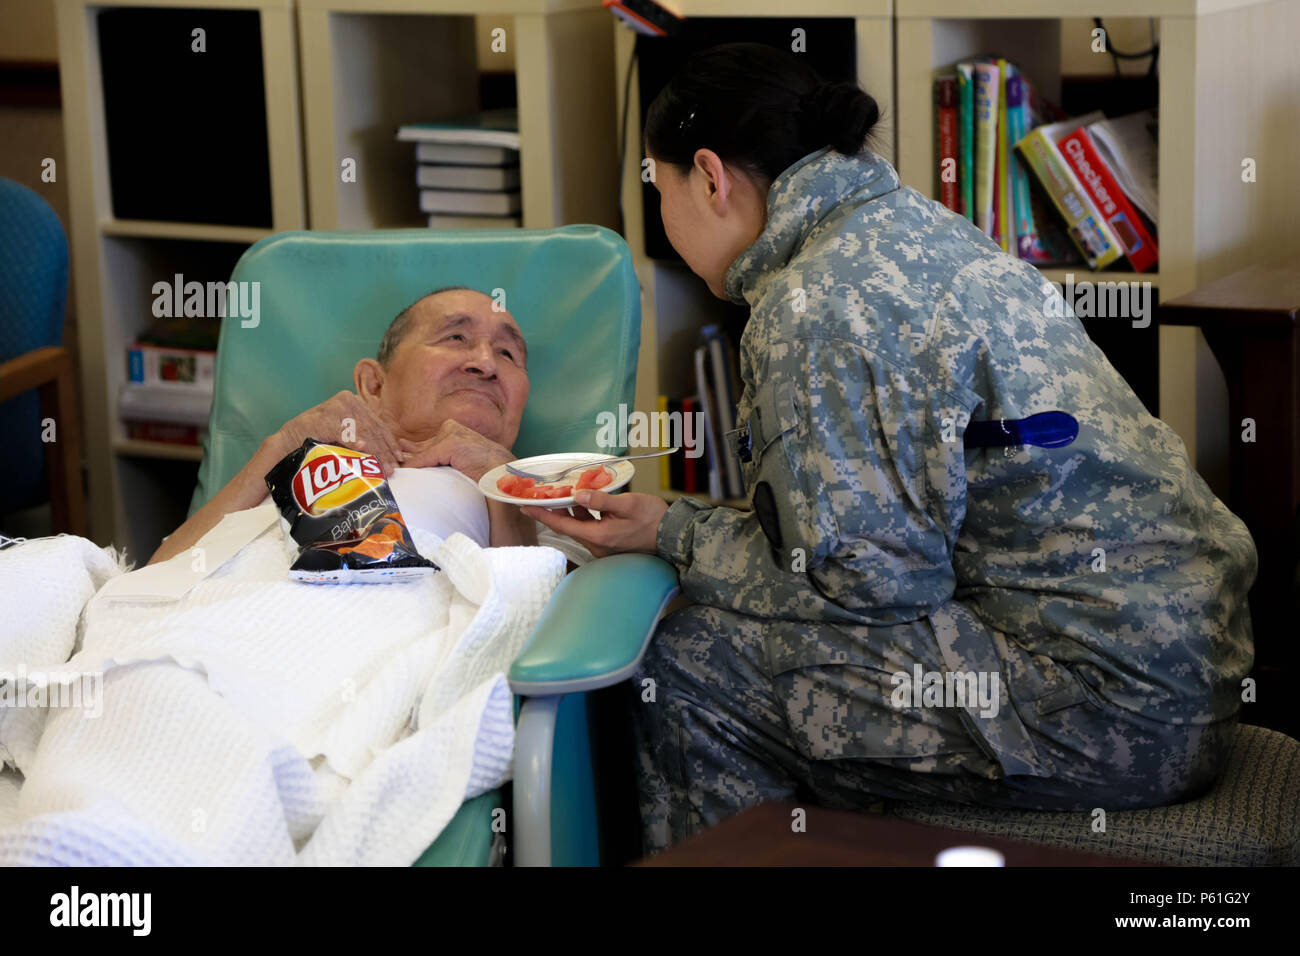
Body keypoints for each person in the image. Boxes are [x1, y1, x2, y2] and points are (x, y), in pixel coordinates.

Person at [527, 42, 1257, 855]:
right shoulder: (909, 227)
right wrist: (674, 528)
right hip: (1187, 665)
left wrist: (676, 535)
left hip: (1110, 710)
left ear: (709, 175)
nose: (661, 217)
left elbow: (867, 584)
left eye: (658, 191)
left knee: (691, 666)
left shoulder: (812, 304)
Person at [149, 286, 588, 568]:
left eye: (509, 354)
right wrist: (279, 446)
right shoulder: (292, 466)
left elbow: (531, 626)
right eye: (455, 338)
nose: (486, 363)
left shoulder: (547, 519)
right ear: (372, 384)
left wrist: (504, 484)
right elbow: (149, 586)